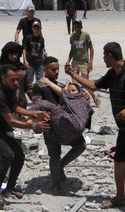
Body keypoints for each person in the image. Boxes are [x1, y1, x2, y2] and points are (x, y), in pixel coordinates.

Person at [66, 42, 125, 211]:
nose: (103, 58)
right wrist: (73, 74)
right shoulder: (112, 74)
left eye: (104, 55)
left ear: (110, 55)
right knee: (119, 161)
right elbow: (93, 86)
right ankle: (120, 198)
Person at [0, 64, 50, 208]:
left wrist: (33, 113)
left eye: (17, 79)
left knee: (19, 155)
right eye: (12, 80)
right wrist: (33, 125)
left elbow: (14, 108)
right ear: (3, 78)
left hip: (3, 127)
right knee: (7, 155)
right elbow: (11, 120)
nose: (16, 83)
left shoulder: (11, 89)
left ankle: (10, 188)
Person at [32, 56, 87, 196]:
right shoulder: (39, 86)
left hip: (67, 124)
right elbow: (38, 105)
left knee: (81, 145)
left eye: (57, 69)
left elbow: (71, 97)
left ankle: (61, 166)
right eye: (53, 69)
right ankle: (57, 185)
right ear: (44, 69)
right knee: (54, 156)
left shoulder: (61, 85)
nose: (57, 72)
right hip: (51, 128)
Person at [29, 79, 93, 144]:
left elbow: (64, 93)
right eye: (68, 91)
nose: (70, 92)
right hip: (61, 127)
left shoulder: (76, 98)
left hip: (70, 127)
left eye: (73, 90)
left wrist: (48, 82)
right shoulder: (78, 100)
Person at [0, 41, 33, 111]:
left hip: (21, 104)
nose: (14, 56)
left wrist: (36, 100)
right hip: (5, 105)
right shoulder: (0, 68)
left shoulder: (22, 68)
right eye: (11, 54)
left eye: (16, 54)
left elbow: (28, 86)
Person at [66, 19, 100, 106]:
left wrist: (91, 62)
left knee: (85, 83)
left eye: (78, 26)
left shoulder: (86, 35)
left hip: (84, 63)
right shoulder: (72, 37)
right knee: (75, 83)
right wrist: (68, 61)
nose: (76, 28)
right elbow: (72, 50)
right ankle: (77, 101)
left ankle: (94, 96)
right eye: (75, 26)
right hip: (75, 62)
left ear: (81, 27)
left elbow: (91, 48)